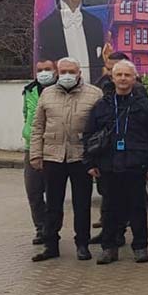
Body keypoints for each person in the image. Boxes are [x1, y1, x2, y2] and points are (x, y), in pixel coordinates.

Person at [83, 60, 148, 264]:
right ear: (112, 78)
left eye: (127, 75)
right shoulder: (102, 105)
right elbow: (89, 134)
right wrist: (90, 162)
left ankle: (140, 246)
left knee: (137, 208)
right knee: (110, 208)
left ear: (134, 78)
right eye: (119, 75)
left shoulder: (144, 105)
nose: (123, 79)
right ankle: (109, 247)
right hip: (108, 164)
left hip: (136, 164)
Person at [29, 57, 103, 262]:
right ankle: (51, 245)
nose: (67, 76)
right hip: (53, 156)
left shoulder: (94, 94)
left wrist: (96, 158)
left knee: (82, 204)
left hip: (81, 157)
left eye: (71, 72)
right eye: (63, 72)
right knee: (53, 204)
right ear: (57, 73)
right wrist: (36, 154)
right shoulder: (47, 94)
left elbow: (101, 129)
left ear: (79, 73)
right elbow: (37, 127)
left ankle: (82, 244)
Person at [22, 59, 56, 245]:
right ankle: (40, 228)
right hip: (32, 147)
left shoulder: (60, 90)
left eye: (47, 69)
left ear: (55, 71)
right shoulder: (29, 90)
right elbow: (26, 115)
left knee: (53, 193)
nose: (43, 73)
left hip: (54, 147)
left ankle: (51, 229)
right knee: (33, 191)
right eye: (40, 69)